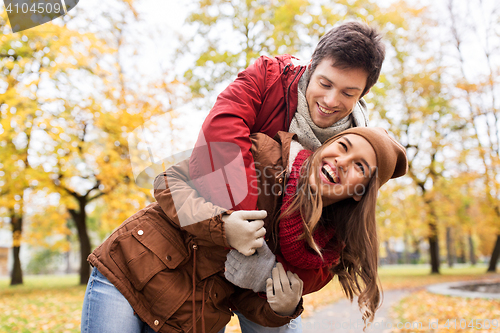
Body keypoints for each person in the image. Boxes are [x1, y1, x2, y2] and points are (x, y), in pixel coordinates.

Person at [81, 126, 407, 333]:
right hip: (132, 268)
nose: (342, 161)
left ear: (359, 192)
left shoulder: (322, 255)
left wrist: (283, 309)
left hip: (191, 317)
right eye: (344, 146)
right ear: (327, 145)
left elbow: (245, 298)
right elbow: (169, 181)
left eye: (360, 167)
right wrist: (222, 226)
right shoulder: (262, 154)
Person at [185, 20, 386, 331]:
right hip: (218, 240)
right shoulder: (269, 76)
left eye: (348, 92)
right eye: (325, 83)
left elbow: (336, 240)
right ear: (311, 67)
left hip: (271, 274)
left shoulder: (355, 149)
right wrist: (245, 228)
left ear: (363, 93)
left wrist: (283, 279)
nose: (331, 101)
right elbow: (221, 134)